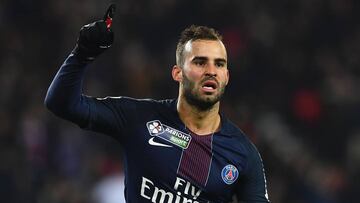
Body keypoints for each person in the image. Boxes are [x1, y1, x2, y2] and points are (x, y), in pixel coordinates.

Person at [44, 4, 270, 203]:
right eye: (200, 62)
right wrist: (81, 55)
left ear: (227, 76)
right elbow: (62, 104)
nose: (211, 71)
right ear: (177, 73)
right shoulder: (139, 117)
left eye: (219, 64)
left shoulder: (243, 154)